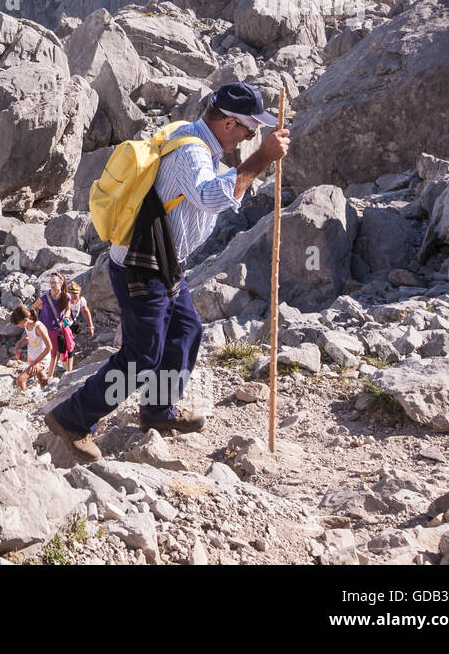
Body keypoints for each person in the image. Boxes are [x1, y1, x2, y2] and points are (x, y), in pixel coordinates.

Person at [45, 81, 289, 461]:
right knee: (142, 354)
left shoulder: (194, 136)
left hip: (163, 260)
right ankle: (73, 419)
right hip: (143, 267)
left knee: (186, 330)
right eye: (248, 127)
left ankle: (158, 411)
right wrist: (260, 159)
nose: (252, 134)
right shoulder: (192, 152)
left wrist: (257, 157)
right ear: (227, 124)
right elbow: (210, 198)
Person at [33, 272, 73, 380]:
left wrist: (66, 317)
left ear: (61, 283)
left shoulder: (66, 296)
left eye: (54, 282)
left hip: (56, 328)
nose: (52, 285)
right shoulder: (45, 297)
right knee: (41, 350)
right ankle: (39, 373)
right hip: (43, 328)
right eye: (50, 282)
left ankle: (49, 376)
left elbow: (68, 309)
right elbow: (33, 307)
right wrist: (35, 322)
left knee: (53, 353)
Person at [11, 306, 51, 391]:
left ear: (25, 320)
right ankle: (48, 399)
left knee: (20, 380)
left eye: (19, 324)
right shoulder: (27, 325)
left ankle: (25, 400)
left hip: (41, 360)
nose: (19, 326)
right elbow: (30, 337)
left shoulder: (39, 327)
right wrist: (20, 343)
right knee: (43, 381)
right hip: (34, 358)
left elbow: (49, 347)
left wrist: (35, 363)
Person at [67, 281, 95, 350]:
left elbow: (85, 312)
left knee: (70, 347)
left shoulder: (81, 300)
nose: (73, 301)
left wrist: (90, 327)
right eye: (71, 299)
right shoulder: (64, 300)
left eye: (76, 299)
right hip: (63, 325)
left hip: (72, 324)